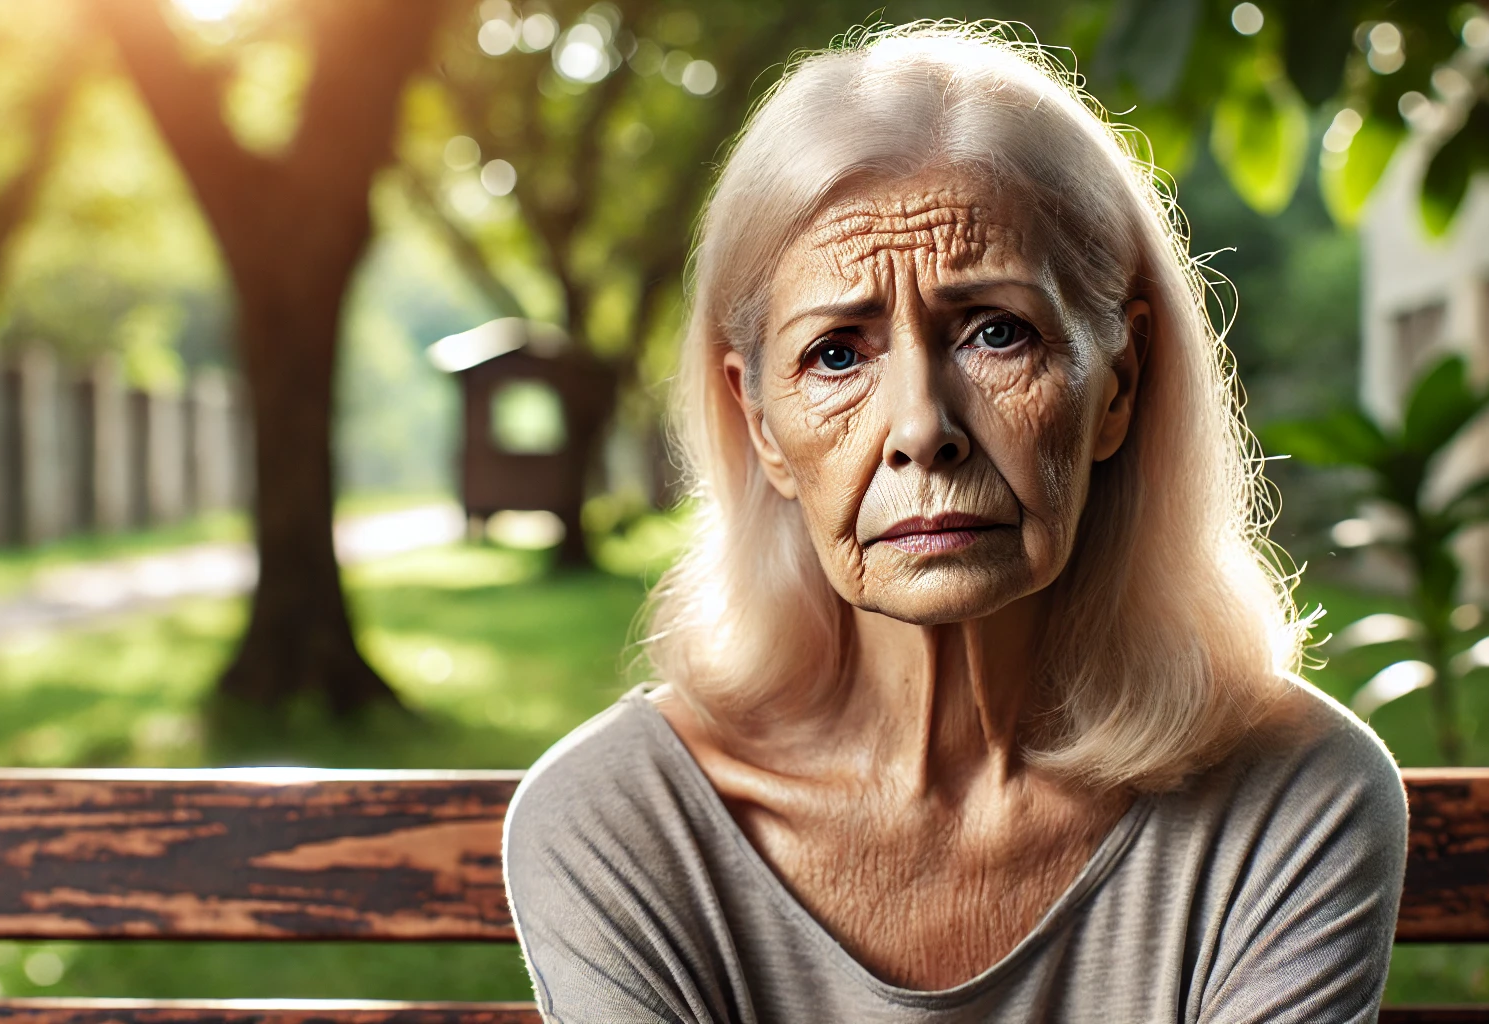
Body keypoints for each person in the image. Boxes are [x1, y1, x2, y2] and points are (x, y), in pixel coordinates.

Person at [502, 22, 1406, 1023]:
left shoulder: (1297, 793)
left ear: (1118, 383)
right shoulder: (613, 823)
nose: (922, 429)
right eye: (837, 355)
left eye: (995, 332)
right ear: (759, 423)